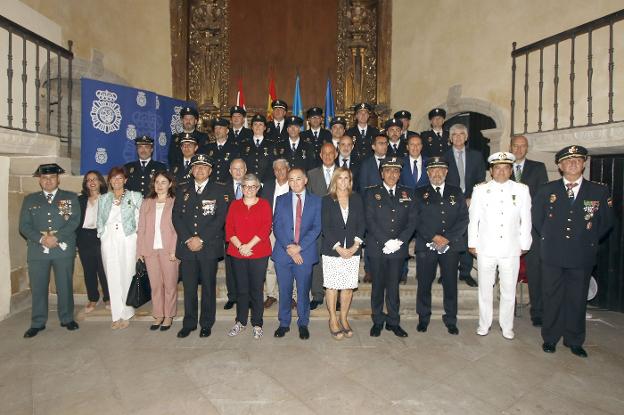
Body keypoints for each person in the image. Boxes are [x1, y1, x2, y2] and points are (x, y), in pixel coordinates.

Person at [533, 145, 614, 357]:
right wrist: (553, 240)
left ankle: (574, 339)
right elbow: (538, 222)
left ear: (584, 163)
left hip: (582, 255)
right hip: (552, 254)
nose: (573, 163)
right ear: (560, 166)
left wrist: (586, 240)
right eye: (568, 161)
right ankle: (550, 338)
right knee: (551, 297)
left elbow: (606, 223)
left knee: (577, 299)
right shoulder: (546, 190)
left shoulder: (599, 191)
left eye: (578, 160)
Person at [468, 152, 532, 340]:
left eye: (505, 168)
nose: (501, 172)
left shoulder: (521, 190)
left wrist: (525, 243)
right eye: (497, 168)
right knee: (485, 290)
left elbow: (526, 219)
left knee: (508, 290)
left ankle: (507, 325)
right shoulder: (480, 190)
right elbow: (474, 219)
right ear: (491, 171)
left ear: (511, 170)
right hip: (486, 248)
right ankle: (484, 324)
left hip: (511, 249)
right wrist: (472, 243)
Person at [19, 163, 80, 338]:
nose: (48, 181)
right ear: (40, 180)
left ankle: (67, 318)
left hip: (62, 249)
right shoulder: (30, 200)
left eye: (52, 177)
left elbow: (73, 221)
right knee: (38, 287)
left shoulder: (68, 198)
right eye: (44, 178)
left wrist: (56, 237)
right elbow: (24, 226)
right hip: (38, 250)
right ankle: (37, 322)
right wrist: (42, 239)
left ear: (58, 179)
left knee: (64, 285)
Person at [172, 154, 227, 338]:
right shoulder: (182, 189)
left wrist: (201, 238)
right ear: (192, 169)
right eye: (196, 166)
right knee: (188, 287)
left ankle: (206, 323)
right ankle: (189, 323)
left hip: (208, 247)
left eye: (204, 167)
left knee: (208, 288)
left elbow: (220, 218)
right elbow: (176, 216)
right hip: (187, 248)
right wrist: (189, 239)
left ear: (210, 170)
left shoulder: (219, 189)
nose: (200, 170)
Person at [414, 157, 468, 334]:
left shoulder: (456, 191)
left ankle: (451, 318)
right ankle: (423, 317)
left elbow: (463, 219)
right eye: (433, 170)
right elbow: (415, 219)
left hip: (450, 246)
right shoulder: (419, 192)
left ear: (446, 172)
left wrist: (448, 238)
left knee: (450, 283)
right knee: (424, 283)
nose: (437, 173)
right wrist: (433, 236)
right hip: (426, 245)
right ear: (428, 173)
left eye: (441, 170)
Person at [365, 157, 418, 337]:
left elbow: (412, 221)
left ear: (399, 173)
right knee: (378, 287)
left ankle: (394, 322)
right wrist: (386, 241)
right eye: (388, 170)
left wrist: (399, 241)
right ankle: (378, 321)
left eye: (396, 171)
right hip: (377, 248)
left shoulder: (408, 193)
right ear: (382, 173)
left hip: (398, 249)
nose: (392, 174)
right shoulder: (371, 193)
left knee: (394, 288)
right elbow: (369, 221)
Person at [272, 168, 322, 340]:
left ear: (305, 180)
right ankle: (284, 323)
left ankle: (303, 323)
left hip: (305, 253)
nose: (294, 183)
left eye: (298, 179)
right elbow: (277, 226)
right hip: (283, 253)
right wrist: (289, 247)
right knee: (284, 290)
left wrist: (299, 247)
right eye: (291, 179)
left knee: (303, 291)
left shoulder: (316, 201)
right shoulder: (281, 200)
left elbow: (316, 227)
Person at [225, 173, 273, 340]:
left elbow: (265, 228)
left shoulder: (265, 205)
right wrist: (240, 246)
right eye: (246, 186)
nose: (250, 189)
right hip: (237, 252)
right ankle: (240, 321)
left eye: (253, 186)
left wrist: (248, 246)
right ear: (241, 188)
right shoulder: (234, 205)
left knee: (256, 290)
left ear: (258, 188)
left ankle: (257, 323)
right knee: (241, 289)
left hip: (258, 253)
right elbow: (229, 228)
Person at [97, 166, 143, 329]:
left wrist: (137, 238)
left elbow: (140, 219)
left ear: (125, 180)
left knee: (127, 273)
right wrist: (103, 236)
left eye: (119, 178)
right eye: (113, 178)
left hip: (127, 237)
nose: (116, 181)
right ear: (109, 180)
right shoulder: (103, 198)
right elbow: (100, 220)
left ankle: (127, 313)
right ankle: (116, 315)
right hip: (109, 238)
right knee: (112, 275)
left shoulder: (135, 196)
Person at [321, 168, 365, 340]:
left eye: (347, 178)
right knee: (332, 287)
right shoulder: (326, 200)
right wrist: (339, 248)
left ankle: (343, 319)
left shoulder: (357, 198)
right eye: (340, 178)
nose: (343, 181)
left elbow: (362, 222)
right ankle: (332, 319)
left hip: (353, 250)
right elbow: (325, 226)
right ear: (335, 180)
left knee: (347, 287)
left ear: (350, 181)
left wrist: (355, 246)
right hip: (333, 250)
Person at [509, 135, 549, 327]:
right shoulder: (503, 166)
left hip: (531, 228)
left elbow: (543, 199)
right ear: (511, 147)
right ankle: (509, 307)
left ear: (527, 148)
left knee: (534, 271)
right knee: (508, 270)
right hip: (507, 228)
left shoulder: (538, 168)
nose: (518, 149)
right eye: (515, 146)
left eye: (522, 146)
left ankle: (538, 312)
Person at [136, 171, 179, 331]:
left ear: (170, 184)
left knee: (169, 285)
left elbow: (177, 229)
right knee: (155, 285)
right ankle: (158, 314)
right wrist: (139, 249)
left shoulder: (175, 202)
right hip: (150, 249)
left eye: (163, 182)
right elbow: (141, 228)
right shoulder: (147, 202)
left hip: (169, 249)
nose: (159, 185)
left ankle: (168, 316)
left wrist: (175, 249)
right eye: (157, 182)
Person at [445, 123, 486, 287]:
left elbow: (481, 179)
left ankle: (465, 272)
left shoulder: (476, 156)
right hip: (449, 203)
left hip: (471, 202)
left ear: (467, 137)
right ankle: (448, 271)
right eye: (454, 134)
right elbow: (440, 180)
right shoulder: (444, 156)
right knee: (451, 236)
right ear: (450, 138)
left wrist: (472, 198)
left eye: (461, 134)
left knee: (469, 236)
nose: (458, 137)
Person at [306, 143, 338, 309]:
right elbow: (308, 201)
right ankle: (317, 294)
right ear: (320, 155)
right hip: (317, 225)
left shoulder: (343, 174)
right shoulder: (311, 174)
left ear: (336, 154)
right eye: (324, 153)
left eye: (330, 153)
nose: (327, 156)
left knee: (335, 260)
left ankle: (335, 295)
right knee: (317, 260)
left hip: (337, 225)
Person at [260, 158, 292, 309]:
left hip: (290, 232)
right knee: (270, 264)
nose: (280, 172)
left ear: (288, 169)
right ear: (274, 171)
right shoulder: (267, 186)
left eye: (282, 169)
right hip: (271, 231)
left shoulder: (295, 185)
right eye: (277, 169)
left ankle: (292, 296)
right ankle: (271, 294)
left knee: (291, 263)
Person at [77, 170, 110, 314]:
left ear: (101, 182)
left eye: (95, 179)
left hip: (101, 236)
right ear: (85, 183)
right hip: (84, 237)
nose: (91, 182)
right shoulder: (80, 200)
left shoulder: (107, 199)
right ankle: (92, 298)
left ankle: (108, 298)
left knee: (104, 270)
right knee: (89, 270)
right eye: (88, 180)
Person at [222, 158, 248, 310]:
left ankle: (248, 296)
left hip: (249, 235)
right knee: (230, 267)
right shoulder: (222, 187)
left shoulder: (253, 186)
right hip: (230, 234)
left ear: (245, 170)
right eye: (235, 169)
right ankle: (232, 296)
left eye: (241, 169)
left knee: (247, 267)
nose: (238, 172)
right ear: (230, 171)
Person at [239, 114, 277, 184]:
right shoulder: (244, 144)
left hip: (266, 183)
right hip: (248, 183)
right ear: (252, 127)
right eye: (255, 124)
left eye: (260, 124)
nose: (258, 127)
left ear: (265, 127)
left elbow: (275, 165)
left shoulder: (272, 144)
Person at [203, 117, 240, 183]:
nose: (217, 131)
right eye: (216, 128)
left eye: (220, 128)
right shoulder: (207, 148)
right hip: (210, 186)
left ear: (227, 131)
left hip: (228, 186)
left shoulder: (235, 148)